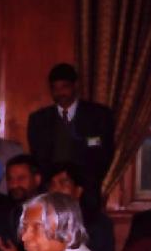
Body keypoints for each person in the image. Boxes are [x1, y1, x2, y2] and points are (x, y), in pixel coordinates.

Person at [26, 63, 115, 212]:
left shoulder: (98, 115)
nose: (60, 92)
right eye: (55, 88)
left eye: (64, 87)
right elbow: (37, 156)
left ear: (75, 86)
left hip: (87, 191)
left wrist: (84, 181)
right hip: (50, 190)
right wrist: (53, 183)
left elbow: (104, 152)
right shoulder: (38, 119)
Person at [48, 162, 115, 251]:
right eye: (52, 184)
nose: (56, 190)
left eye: (63, 183)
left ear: (78, 191)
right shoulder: (45, 220)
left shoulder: (98, 223)